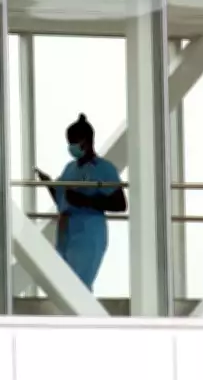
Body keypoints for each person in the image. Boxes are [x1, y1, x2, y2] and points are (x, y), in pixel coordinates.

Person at [34, 113, 127, 291]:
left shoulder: (104, 169)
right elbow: (62, 200)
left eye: (74, 142)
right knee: (63, 286)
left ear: (86, 141)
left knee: (80, 287)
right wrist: (49, 184)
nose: (71, 147)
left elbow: (120, 204)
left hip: (88, 233)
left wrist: (86, 200)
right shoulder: (70, 168)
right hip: (65, 232)